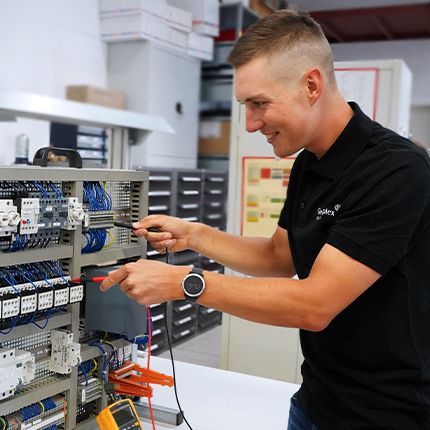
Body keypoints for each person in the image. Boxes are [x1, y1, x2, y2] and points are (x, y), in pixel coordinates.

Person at [100, 8, 430, 429]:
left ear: (311, 84)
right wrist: (194, 235)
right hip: (317, 398)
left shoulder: (397, 169)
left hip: (385, 415)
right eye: (245, 106)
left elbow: (315, 304)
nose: (252, 124)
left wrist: (184, 283)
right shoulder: (311, 163)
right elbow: (280, 255)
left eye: (259, 104)